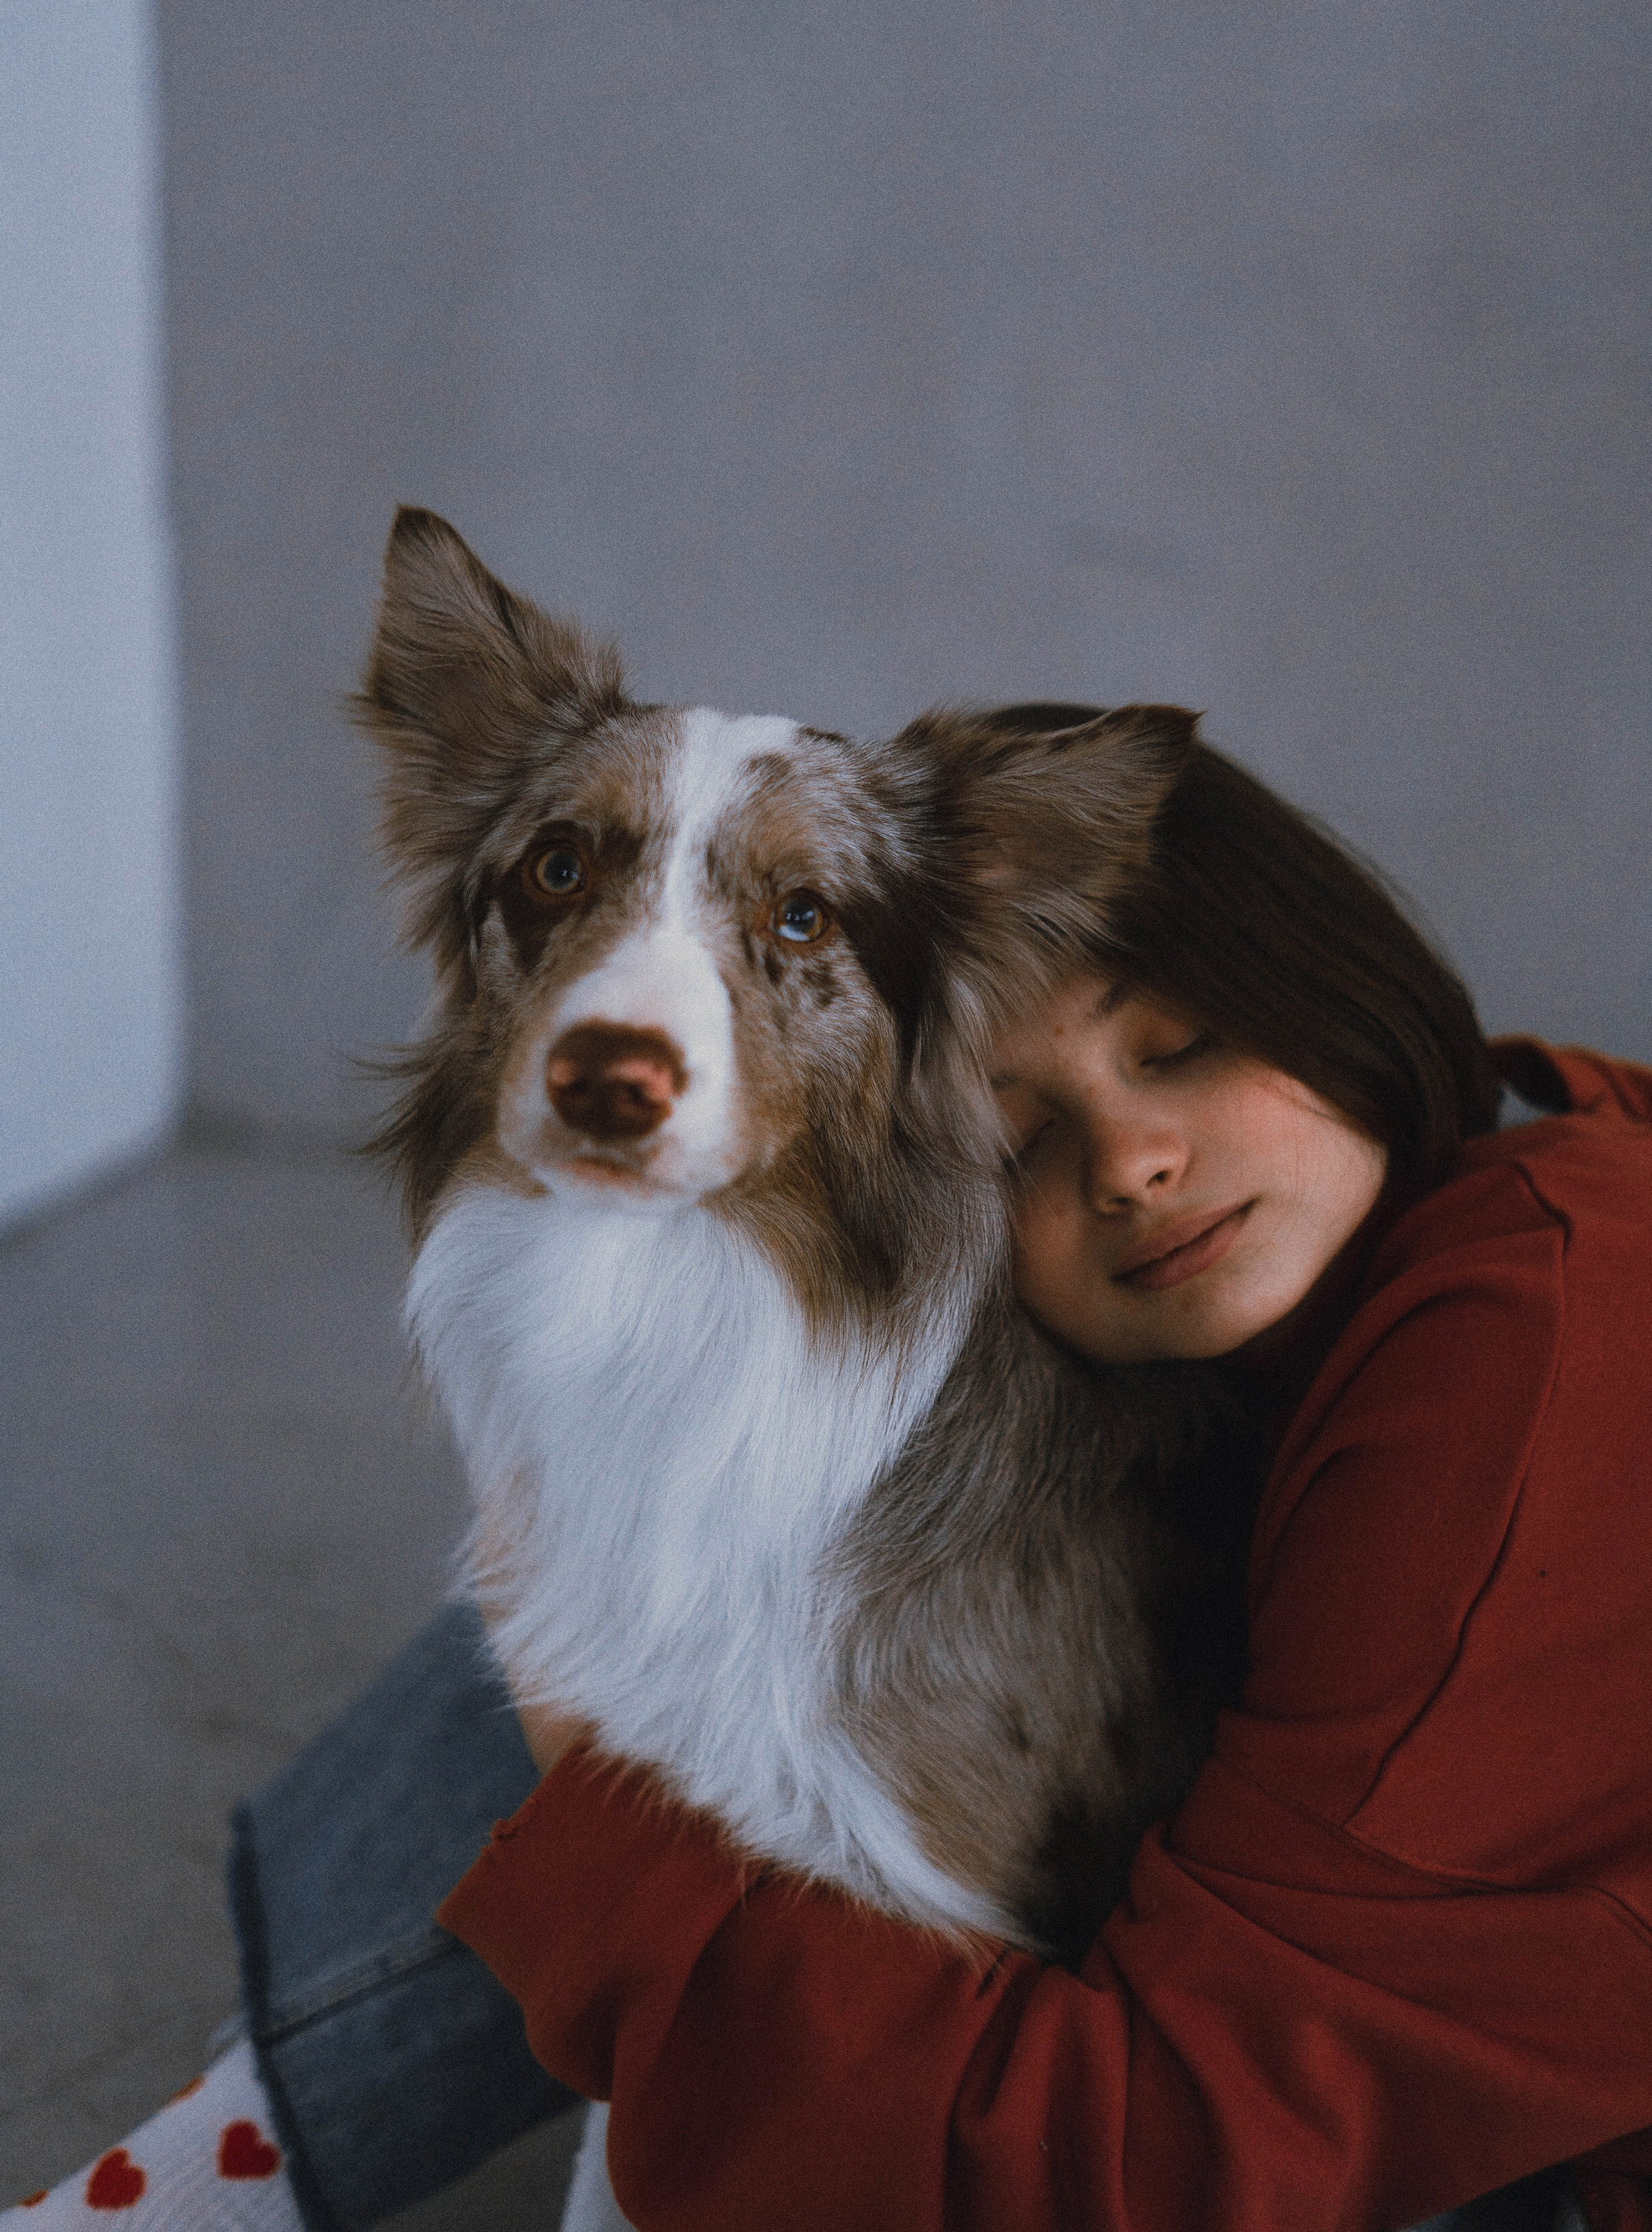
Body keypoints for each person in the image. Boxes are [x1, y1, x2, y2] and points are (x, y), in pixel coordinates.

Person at [8, 723, 1650, 2232]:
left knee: (642, 1653)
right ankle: (243, 2159)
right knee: (706, 1568)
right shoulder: (1385, 1244)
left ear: (1333, 978)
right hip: (1312, 2065)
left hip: (1518, 2179)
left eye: (1189, 1047)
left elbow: (1152, 2159)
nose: (1134, 1166)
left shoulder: (1542, 1331)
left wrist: (594, 1773)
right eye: (1011, 1143)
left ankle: (238, 2168)